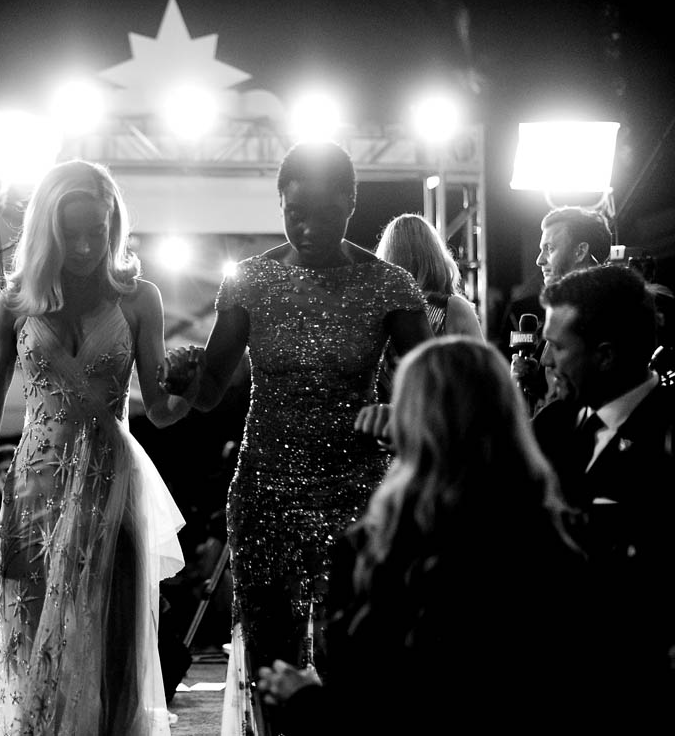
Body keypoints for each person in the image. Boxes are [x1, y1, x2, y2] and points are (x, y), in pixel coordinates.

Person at [163, 140, 432, 733]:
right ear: (279, 204)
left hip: (357, 492)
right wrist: (181, 377)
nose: (307, 228)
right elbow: (209, 392)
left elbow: (439, 388)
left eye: (324, 214)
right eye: (293, 213)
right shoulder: (250, 282)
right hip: (265, 491)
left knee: (351, 651)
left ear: (351, 203)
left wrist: (396, 412)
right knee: (270, 656)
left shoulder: (388, 286)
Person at [256, 337, 603, 735]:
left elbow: (367, 707)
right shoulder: (560, 537)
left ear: (410, 420)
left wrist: (302, 698)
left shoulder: (377, 549)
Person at [0, 159, 189, 735]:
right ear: (47, 229)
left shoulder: (140, 299)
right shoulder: (15, 302)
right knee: (34, 644)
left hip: (113, 486)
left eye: (97, 232)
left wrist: (192, 384)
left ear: (114, 226)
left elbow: (161, 410)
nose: (84, 246)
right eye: (71, 232)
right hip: (36, 489)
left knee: (112, 641)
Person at [531, 263, 673, 723]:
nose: (544, 361)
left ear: (605, 356)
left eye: (557, 346)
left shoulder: (666, 438)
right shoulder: (552, 424)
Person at [507, 206, 611, 411]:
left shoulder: (607, 312)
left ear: (580, 251)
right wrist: (536, 380)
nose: (539, 260)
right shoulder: (559, 306)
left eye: (550, 248)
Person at [373, 212, 482, 398]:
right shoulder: (453, 308)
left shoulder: (377, 310)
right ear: (434, 255)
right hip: (439, 413)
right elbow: (484, 376)